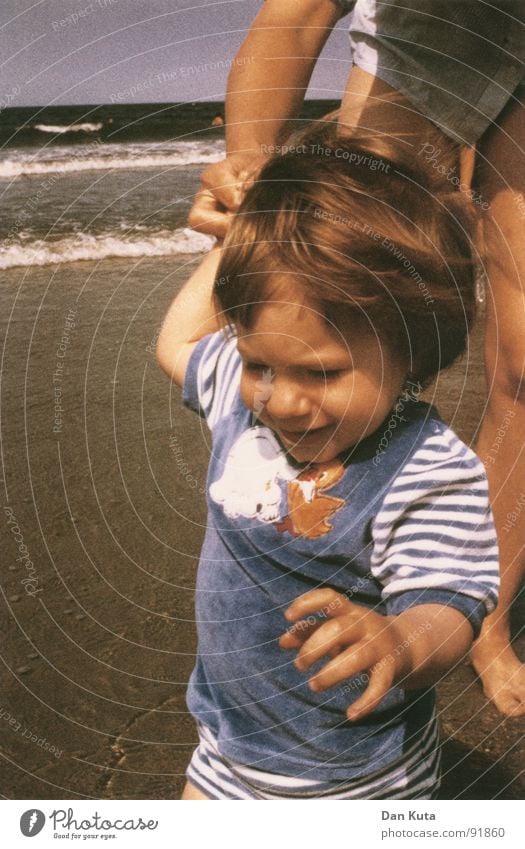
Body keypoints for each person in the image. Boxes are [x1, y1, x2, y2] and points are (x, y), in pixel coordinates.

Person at [187, 0, 525, 717]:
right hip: (419, 47)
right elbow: (295, 15)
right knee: (337, 310)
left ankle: (476, 615)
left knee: (523, 365)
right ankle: (323, 575)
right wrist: (250, 171)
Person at [157, 122, 499, 800]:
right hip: (223, 744)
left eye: (320, 373)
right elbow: (179, 340)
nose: (280, 400)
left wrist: (401, 642)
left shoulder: (425, 467)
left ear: (412, 347)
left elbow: (449, 598)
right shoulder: (242, 387)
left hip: (350, 774)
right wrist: (239, 238)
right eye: (259, 363)